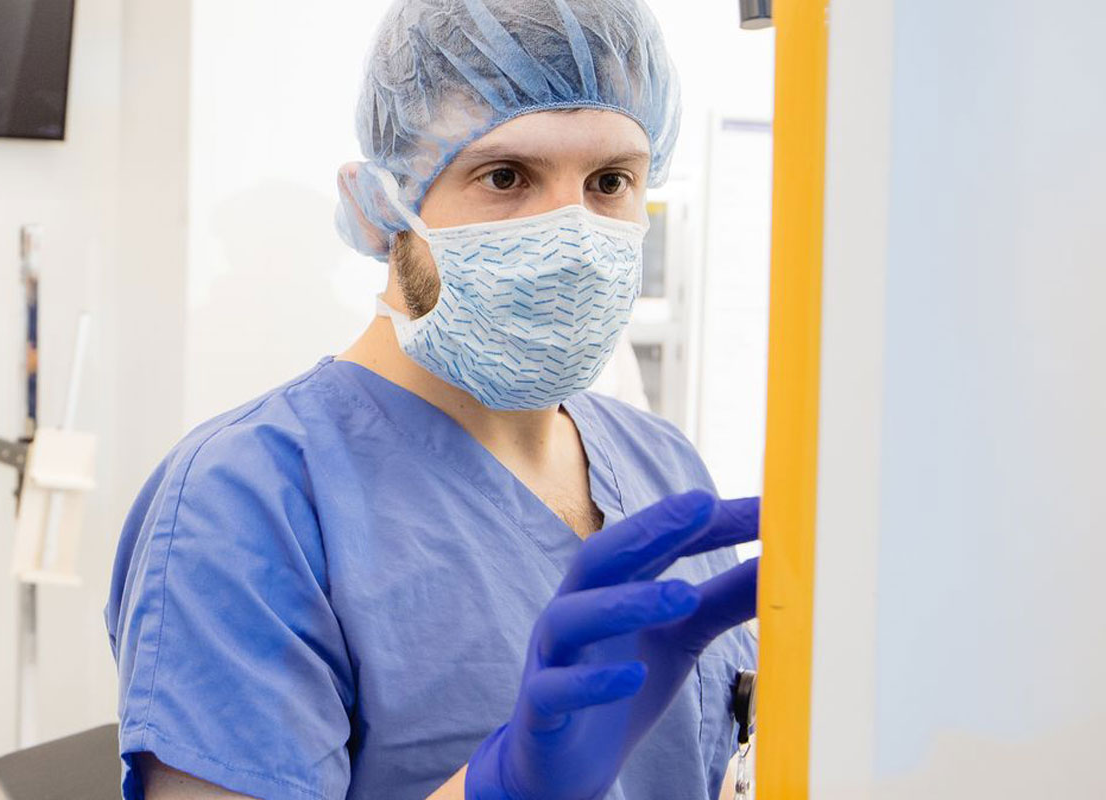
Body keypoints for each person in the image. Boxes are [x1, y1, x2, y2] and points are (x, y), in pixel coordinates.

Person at [104, 1, 759, 798]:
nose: (571, 236)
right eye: (506, 177)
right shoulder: (248, 500)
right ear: (387, 203)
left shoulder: (663, 463)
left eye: (610, 181)